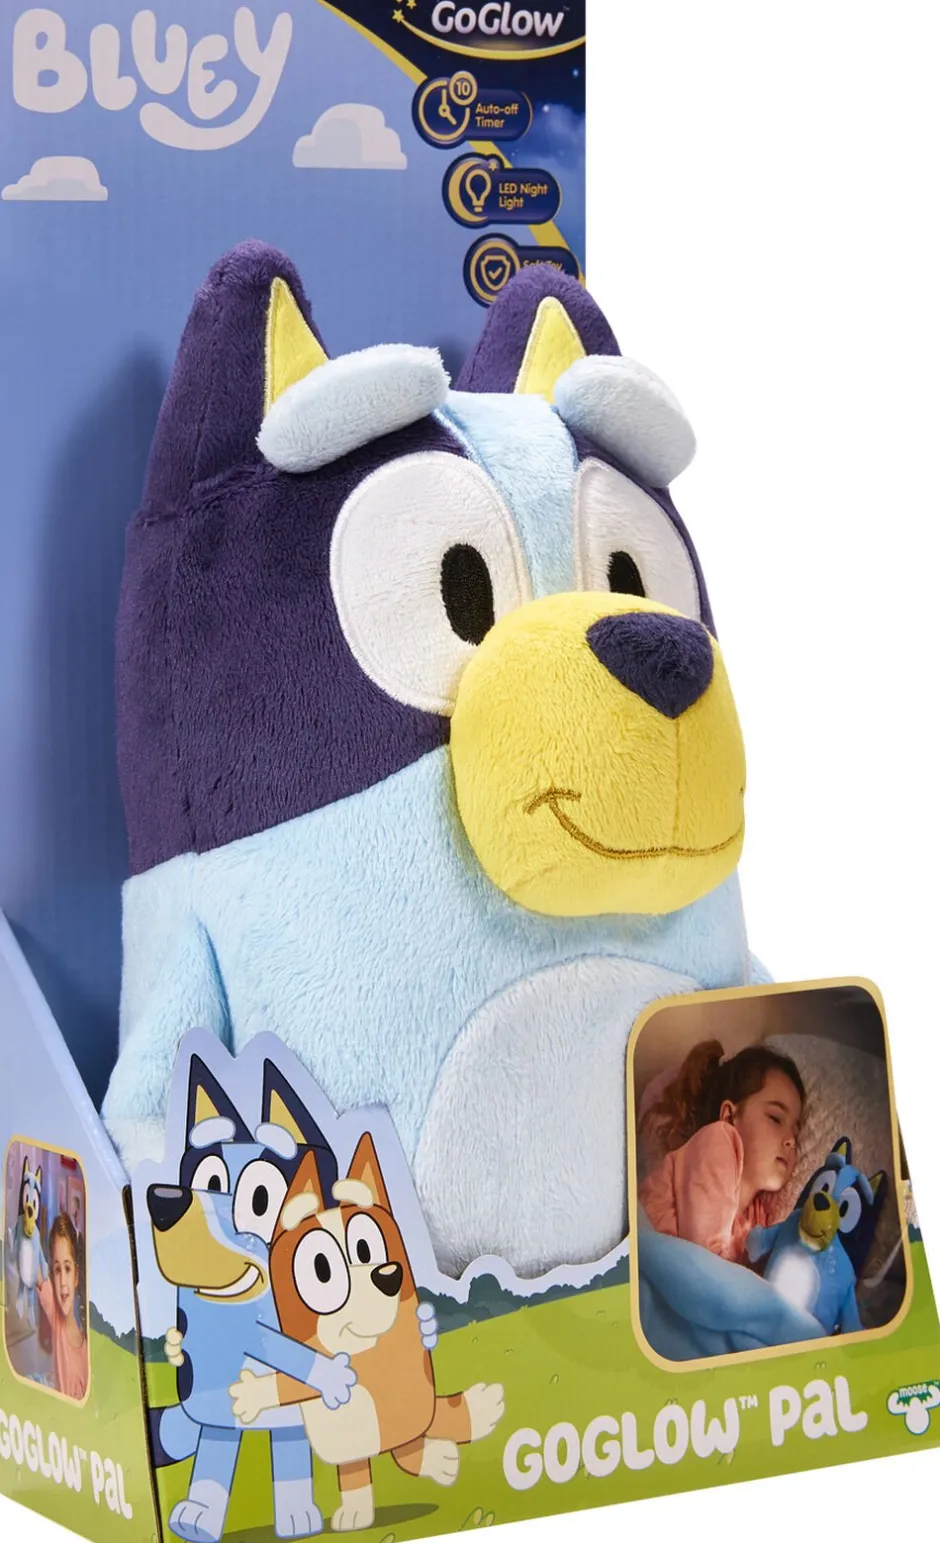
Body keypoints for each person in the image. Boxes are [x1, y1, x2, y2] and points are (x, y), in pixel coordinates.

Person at [638, 1040, 805, 1264]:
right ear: (729, 1117)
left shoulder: (757, 1218)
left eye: (796, 1132)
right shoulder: (716, 1141)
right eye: (775, 1118)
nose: (791, 1140)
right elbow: (705, 1260)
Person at [38, 1214, 89, 1400]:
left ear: (76, 1277)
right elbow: (36, 1270)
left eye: (67, 1269)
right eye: (57, 1270)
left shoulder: (87, 1352)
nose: (62, 1283)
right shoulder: (55, 1314)